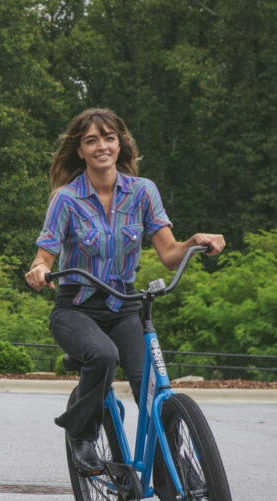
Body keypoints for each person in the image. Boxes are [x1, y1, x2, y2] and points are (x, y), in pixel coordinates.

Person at [25, 107, 224, 473]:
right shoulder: (66, 199)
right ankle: (82, 435)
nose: (102, 145)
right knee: (103, 356)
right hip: (76, 308)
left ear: (120, 144)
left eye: (109, 138)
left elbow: (168, 254)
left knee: (151, 388)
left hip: (125, 307)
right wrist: (39, 271)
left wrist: (195, 241)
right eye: (91, 140)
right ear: (81, 150)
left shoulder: (143, 192)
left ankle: (174, 474)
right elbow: (45, 255)